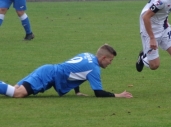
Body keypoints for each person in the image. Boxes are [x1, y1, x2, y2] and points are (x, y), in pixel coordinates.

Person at [0, 44, 133, 99]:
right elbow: (98, 93)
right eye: (110, 60)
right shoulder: (94, 68)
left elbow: (75, 71)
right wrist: (118, 95)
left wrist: (77, 91)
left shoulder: (87, 55)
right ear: (103, 58)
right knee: (17, 93)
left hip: (47, 70)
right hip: (48, 75)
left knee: (13, 89)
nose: (110, 63)